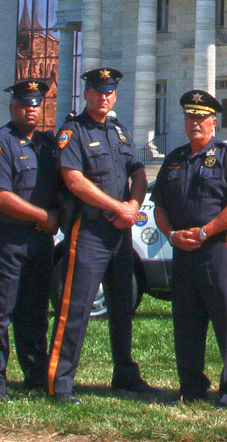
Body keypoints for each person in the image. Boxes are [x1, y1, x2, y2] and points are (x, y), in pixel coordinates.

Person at [46, 67, 155, 402]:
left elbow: (138, 172)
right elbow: (74, 180)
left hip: (120, 233)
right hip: (90, 230)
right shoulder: (73, 132)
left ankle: (125, 375)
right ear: (86, 94)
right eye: (97, 92)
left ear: (115, 95)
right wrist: (117, 207)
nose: (103, 98)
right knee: (75, 308)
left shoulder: (119, 131)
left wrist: (133, 205)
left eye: (109, 92)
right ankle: (60, 383)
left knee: (122, 306)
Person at [151, 89, 227, 407]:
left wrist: (206, 231)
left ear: (214, 122)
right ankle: (191, 388)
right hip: (183, 250)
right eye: (189, 117)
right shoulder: (174, 160)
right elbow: (160, 206)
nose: (194, 123)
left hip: (219, 249)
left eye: (201, 118)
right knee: (186, 322)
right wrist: (171, 235)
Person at [0, 78, 63, 400]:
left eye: (36, 104)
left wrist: (55, 217)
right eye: (24, 105)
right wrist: (44, 216)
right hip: (4, 239)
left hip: (39, 241)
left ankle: (36, 378)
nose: (31, 110)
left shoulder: (46, 145)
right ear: (13, 107)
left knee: (34, 313)